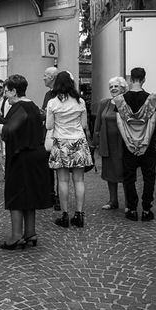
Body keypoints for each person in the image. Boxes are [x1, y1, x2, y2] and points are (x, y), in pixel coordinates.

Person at [0, 74, 52, 249]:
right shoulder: (32, 106)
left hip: (22, 158)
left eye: (6, 91)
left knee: (16, 196)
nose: (5, 95)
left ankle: (15, 236)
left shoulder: (20, 107)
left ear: (14, 91)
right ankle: (30, 233)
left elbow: (8, 132)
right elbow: (16, 124)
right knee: (30, 197)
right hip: (36, 155)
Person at [112, 68, 156, 222]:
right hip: (147, 144)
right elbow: (152, 122)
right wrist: (145, 143)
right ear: (144, 79)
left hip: (129, 144)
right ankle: (146, 210)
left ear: (130, 79)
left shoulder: (119, 100)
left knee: (129, 177)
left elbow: (120, 123)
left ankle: (132, 209)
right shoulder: (153, 99)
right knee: (149, 177)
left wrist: (128, 143)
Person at [46, 71, 93, 228]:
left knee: (63, 180)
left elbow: (49, 126)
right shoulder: (80, 102)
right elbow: (85, 125)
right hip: (78, 142)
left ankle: (65, 215)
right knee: (79, 180)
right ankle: (79, 215)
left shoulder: (53, 103)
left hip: (61, 143)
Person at [92, 76, 128, 211]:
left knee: (124, 172)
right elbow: (98, 123)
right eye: (111, 86)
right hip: (107, 143)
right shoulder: (105, 103)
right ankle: (113, 201)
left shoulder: (126, 103)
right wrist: (95, 139)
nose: (113, 89)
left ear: (123, 88)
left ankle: (129, 203)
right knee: (109, 173)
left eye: (116, 86)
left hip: (122, 143)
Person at [41, 66, 61, 210]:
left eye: (45, 75)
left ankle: (60, 197)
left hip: (59, 135)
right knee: (48, 167)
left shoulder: (61, 94)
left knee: (59, 168)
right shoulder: (48, 94)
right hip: (48, 136)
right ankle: (50, 195)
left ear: (53, 78)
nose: (43, 78)